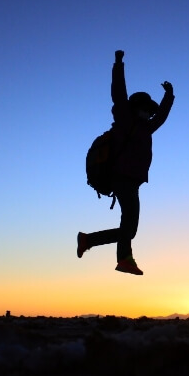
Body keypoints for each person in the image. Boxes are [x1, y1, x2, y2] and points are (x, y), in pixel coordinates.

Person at [77, 49, 174, 275]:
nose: (150, 114)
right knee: (130, 225)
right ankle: (119, 257)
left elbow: (161, 117)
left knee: (129, 226)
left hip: (132, 181)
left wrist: (169, 96)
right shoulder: (124, 119)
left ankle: (93, 242)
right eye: (147, 109)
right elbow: (119, 93)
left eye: (151, 111)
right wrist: (118, 63)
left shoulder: (147, 128)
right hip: (121, 177)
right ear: (136, 107)